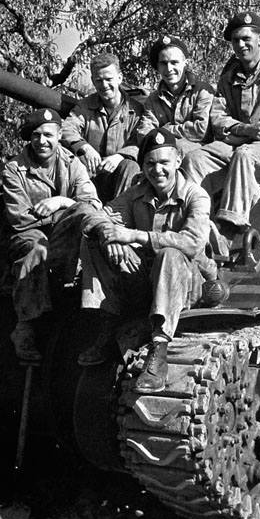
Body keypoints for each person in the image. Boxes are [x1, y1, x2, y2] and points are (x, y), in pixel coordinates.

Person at [77, 127, 216, 393]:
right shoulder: (138, 192)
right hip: (148, 280)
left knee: (170, 253)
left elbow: (192, 243)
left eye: (164, 162)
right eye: (150, 164)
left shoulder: (195, 195)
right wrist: (112, 238)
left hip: (187, 284)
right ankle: (108, 320)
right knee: (94, 239)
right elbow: (95, 217)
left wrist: (131, 236)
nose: (157, 170)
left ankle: (159, 349)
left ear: (177, 161)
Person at [183, 11, 260, 255]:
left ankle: (229, 231)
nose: (241, 44)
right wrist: (247, 129)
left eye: (246, 38)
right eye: (236, 40)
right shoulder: (228, 78)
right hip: (238, 143)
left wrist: (243, 133)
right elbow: (217, 118)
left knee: (244, 156)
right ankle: (197, 223)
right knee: (195, 159)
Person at [2, 108, 101, 362]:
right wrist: (60, 212)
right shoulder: (15, 170)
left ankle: (98, 312)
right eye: (36, 135)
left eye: (48, 134)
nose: (42, 141)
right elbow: (19, 218)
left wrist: (60, 202)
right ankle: (24, 327)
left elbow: (91, 203)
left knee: (85, 214)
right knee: (38, 249)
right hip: (28, 236)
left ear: (59, 135)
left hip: (64, 236)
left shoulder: (72, 163)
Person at [61, 53, 143, 203]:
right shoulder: (85, 106)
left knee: (130, 166)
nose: (104, 85)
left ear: (119, 77)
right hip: (91, 173)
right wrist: (84, 147)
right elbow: (67, 128)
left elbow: (141, 141)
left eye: (109, 79)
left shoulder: (136, 110)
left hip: (121, 175)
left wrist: (121, 156)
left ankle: (119, 215)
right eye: (99, 80)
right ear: (92, 80)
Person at [137, 35, 214, 156]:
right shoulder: (153, 99)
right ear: (157, 66)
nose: (169, 69)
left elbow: (201, 130)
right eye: (163, 63)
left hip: (198, 157)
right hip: (164, 157)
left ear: (185, 63)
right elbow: (144, 133)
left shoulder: (202, 91)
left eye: (174, 62)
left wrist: (165, 130)